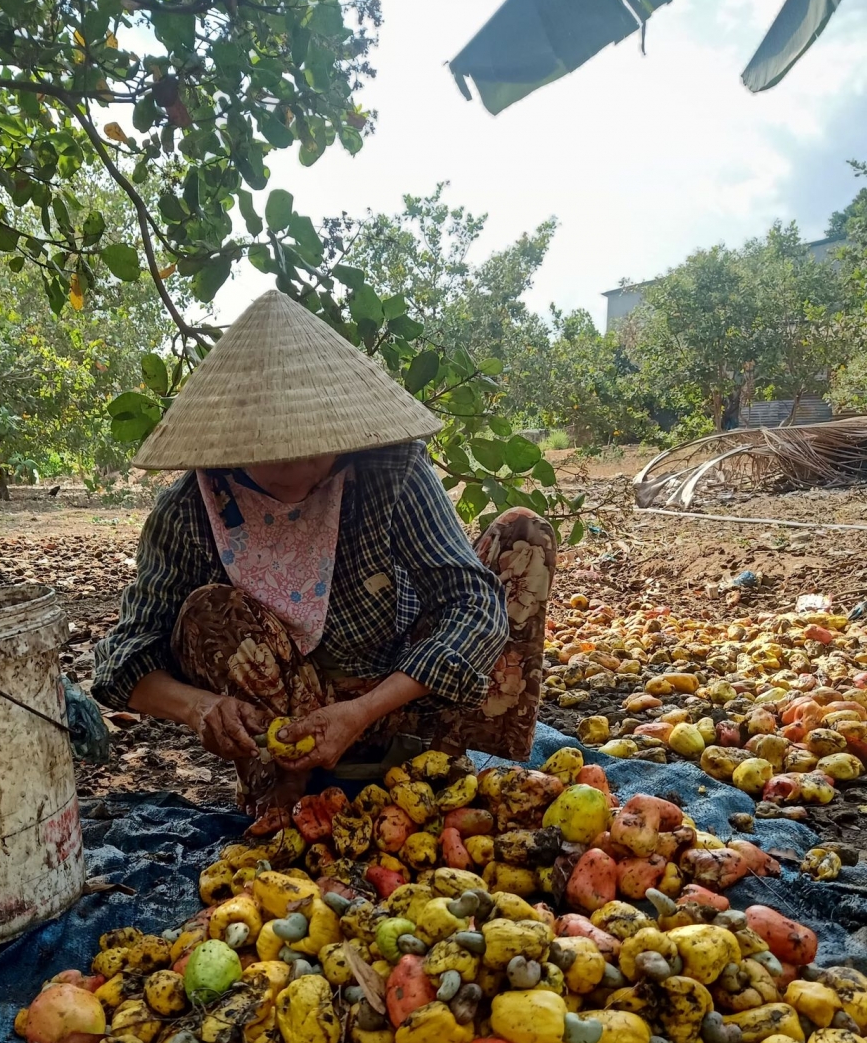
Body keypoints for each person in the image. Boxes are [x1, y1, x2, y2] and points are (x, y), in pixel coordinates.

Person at [93, 290, 556, 828]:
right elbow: (122, 657)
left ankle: (430, 755)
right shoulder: (191, 508)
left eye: (309, 444)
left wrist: (362, 711)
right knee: (208, 610)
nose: (290, 465)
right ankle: (290, 778)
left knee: (524, 534)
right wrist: (200, 708)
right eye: (268, 449)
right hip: (289, 714)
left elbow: (472, 604)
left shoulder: (390, 471)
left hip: (399, 691)